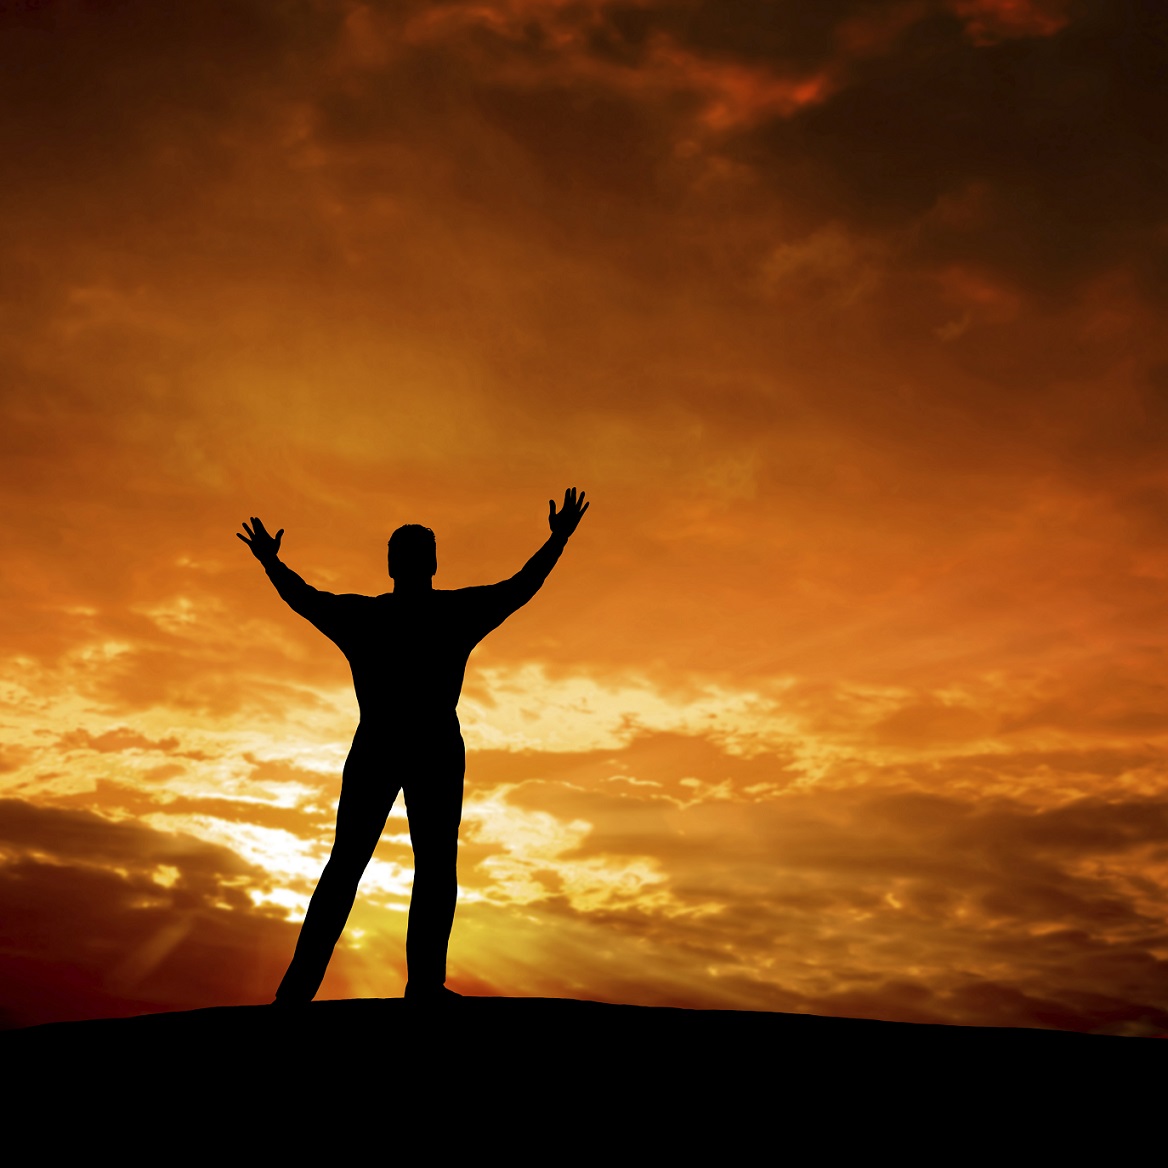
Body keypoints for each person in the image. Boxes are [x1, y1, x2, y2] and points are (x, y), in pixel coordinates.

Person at [237, 488, 589, 1004]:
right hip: (421, 746)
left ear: (393, 565)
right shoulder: (446, 613)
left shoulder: (371, 618)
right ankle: (405, 987)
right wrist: (557, 540)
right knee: (410, 865)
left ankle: (317, 991)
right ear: (431, 563)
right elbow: (520, 587)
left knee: (366, 864)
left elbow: (304, 598)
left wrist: (272, 563)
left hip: (395, 746)